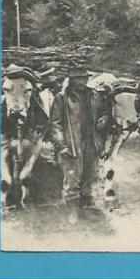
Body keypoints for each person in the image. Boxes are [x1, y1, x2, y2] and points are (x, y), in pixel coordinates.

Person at [49, 67, 110, 222]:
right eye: (78, 78)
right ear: (71, 80)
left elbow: (105, 112)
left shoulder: (95, 95)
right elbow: (55, 124)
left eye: (84, 78)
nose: (82, 81)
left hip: (92, 142)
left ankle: (87, 207)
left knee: (90, 176)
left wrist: (104, 119)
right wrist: (61, 145)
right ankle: (72, 211)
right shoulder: (62, 98)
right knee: (72, 178)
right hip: (72, 144)